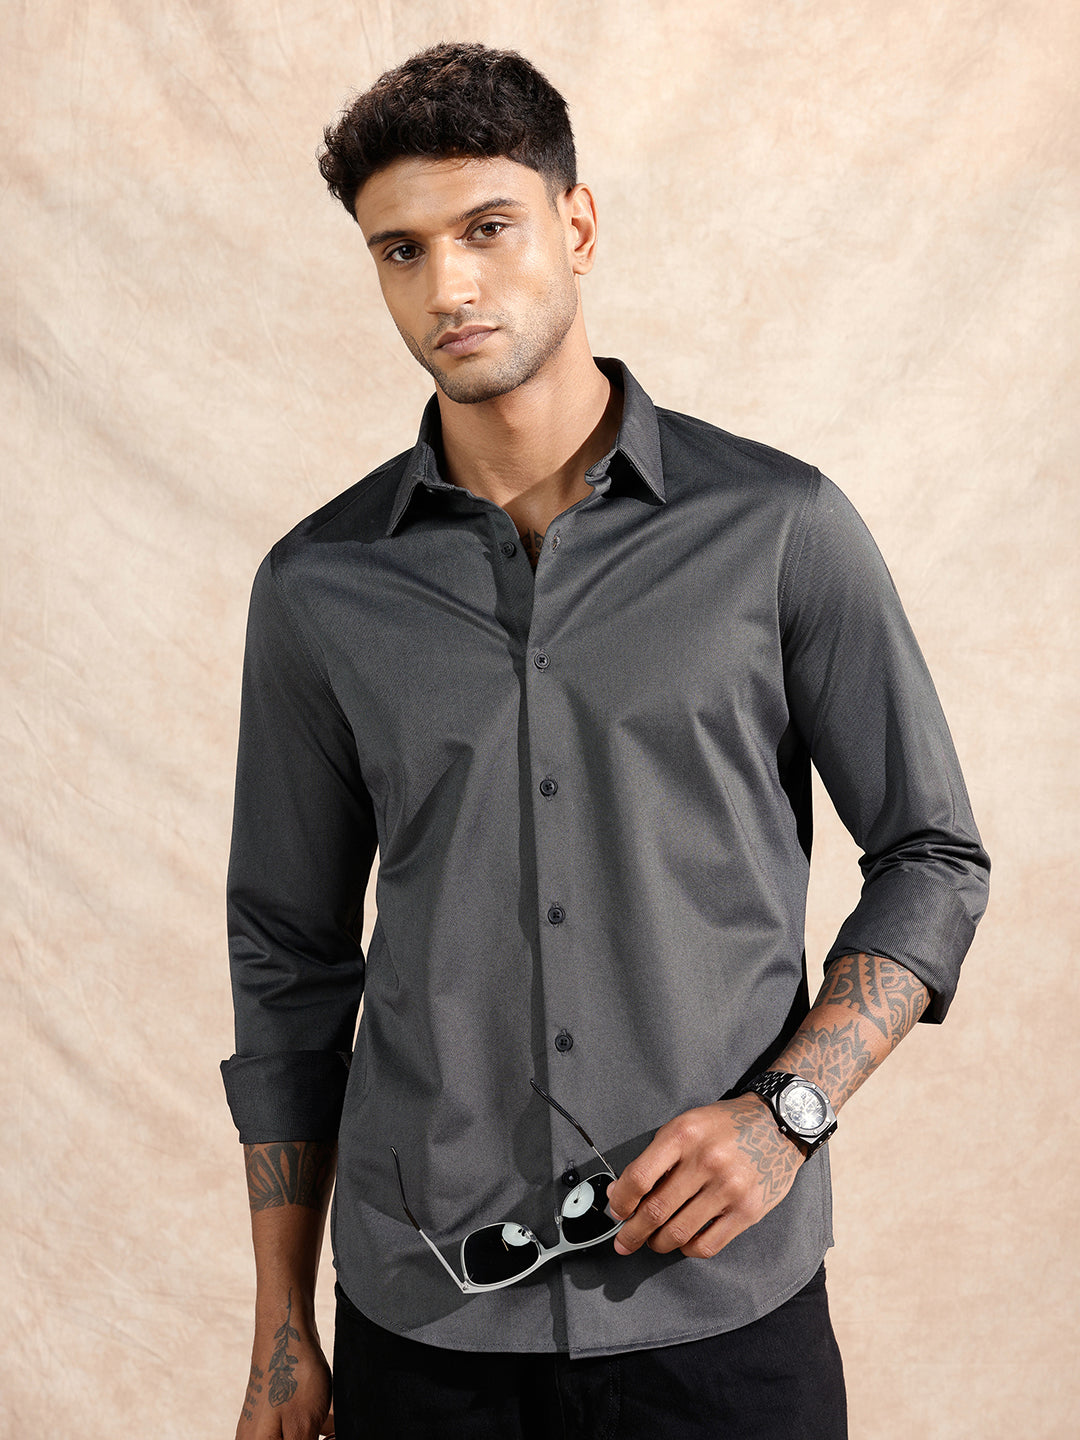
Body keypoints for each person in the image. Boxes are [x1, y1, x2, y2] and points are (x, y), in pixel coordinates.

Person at [222, 41, 989, 1440]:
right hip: (423, 1324)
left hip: (722, 1310)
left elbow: (933, 856)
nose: (449, 288)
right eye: (401, 251)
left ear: (577, 225)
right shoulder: (318, 589)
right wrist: (283, 1321)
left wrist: (788, 1113)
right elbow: (287, 955)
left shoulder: (779, 530)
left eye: (488, 228)